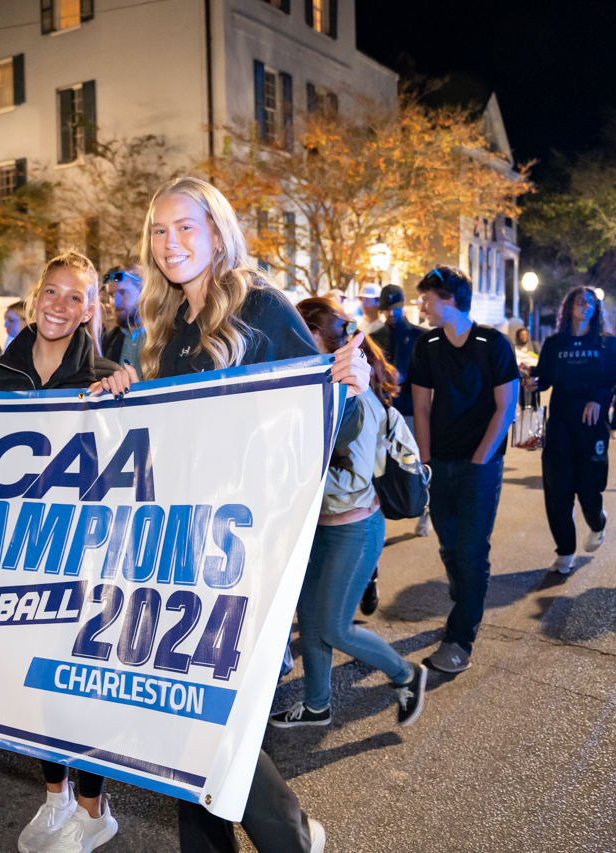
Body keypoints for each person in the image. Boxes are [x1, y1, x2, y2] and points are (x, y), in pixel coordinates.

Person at [92, 176, 371, 853]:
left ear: (216, 232)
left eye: (185, 226)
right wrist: (127, 388)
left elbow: (333, 418)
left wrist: (351, 389)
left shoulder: (263, 308)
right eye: (159, 231)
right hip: (179, 546)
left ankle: (290, 836)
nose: (171, 242)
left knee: (207, 725)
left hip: (249, 549)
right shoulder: (159, 332)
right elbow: (163, 443)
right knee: (185, 725)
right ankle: (291, 831)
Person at [0, 251, 120, 853]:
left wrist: (122, 397)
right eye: (51, 293)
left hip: (82, 555)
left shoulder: (107, 373)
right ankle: (55, 798)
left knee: (77, 684)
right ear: (36, 298)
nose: (60, 305)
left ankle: (94, 810)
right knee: (32, 684)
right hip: (15, 555)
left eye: (74, 297)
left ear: (90, 310)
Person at [268, 296, 427, 731]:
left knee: (336, 627)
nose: (289, 345)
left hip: (354, 529)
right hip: (319, 529)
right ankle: (317, 705)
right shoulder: (316, 385)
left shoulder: (352, 393)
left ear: (319, 339)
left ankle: (406, 674)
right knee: (311, 620)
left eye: (299, 335)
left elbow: (354, 475)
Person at [410, 265, 518, 675]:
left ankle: (460, 640)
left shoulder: (493, 343)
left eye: (427, 299)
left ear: (450, 299)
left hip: (480, 465)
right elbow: (421, 406)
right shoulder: (428, 345)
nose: (423, 307)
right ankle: (465, 596)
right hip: (439, 462)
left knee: (472, 552)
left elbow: (505, 407)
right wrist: (424, 460)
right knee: (449, 545)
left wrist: (480, 459)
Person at [522, 287, 616, 575]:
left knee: (588, 491)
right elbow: (546, 378)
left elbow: (613, 379)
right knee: (558, 490)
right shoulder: (554, 343)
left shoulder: (606, 343)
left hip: (592, 426)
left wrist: (598, 399)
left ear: (596, 309)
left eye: (591, 302)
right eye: (580, 300)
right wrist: (534, 383)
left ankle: (598, 522)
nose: (586, 305)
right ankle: (565, 552)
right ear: (569, 307)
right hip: (561, 424)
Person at [370, 283, 427, 540]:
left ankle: (423, 508)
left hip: (411, 408)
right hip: (385, 409)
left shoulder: (419, 335)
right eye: (387, 309)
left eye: (395, 308)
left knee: (413, 462)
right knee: (383, 466)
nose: (391, 313)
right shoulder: (376, 334)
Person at [100, 265, 146, 375]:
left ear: (143, 292)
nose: (115, 302)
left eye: (123, 293)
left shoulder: (163, 337)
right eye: (111, 295)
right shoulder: (109, 341)